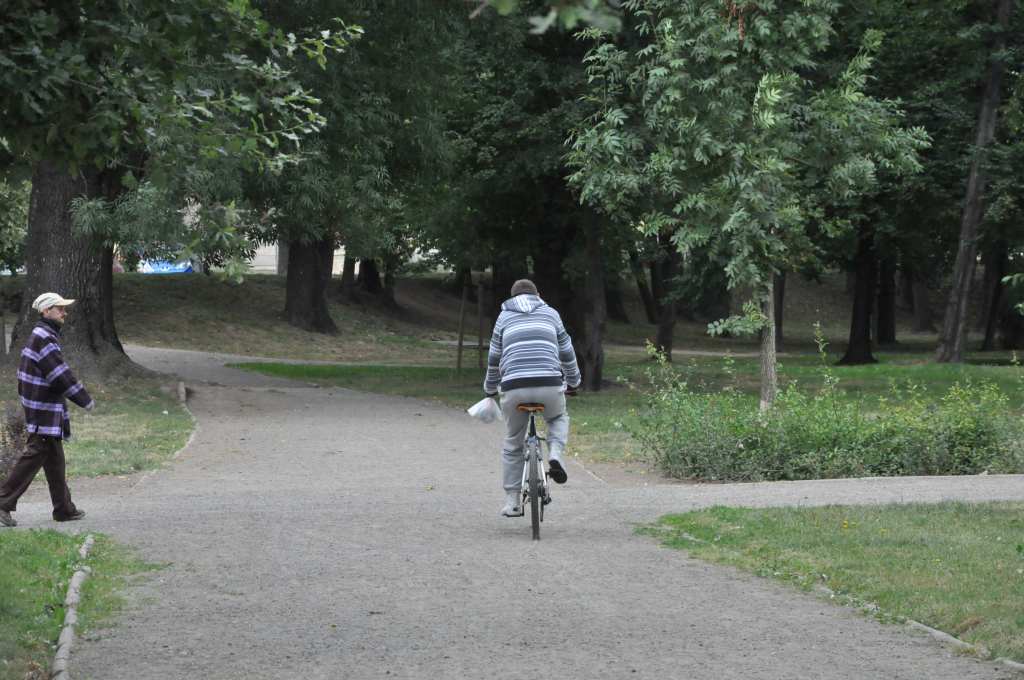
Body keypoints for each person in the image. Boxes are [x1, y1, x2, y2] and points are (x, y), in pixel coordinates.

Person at [483, 279, 581, 517]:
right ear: (538, 294)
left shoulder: (503, 317)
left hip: (514, 387)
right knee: (558, 417)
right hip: (549, 384)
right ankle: (555, 455)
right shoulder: (551, 313)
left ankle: (512, 502)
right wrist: (574, 381)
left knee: (512, 442)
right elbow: (566, 350)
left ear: (511, 297)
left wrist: (489, 388)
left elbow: (494, 358)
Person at [0, 292, 95, 528]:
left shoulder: (43, 335)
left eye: (64, 308)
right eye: (59, 308)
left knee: (54, 461)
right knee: (33, 456)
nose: (64, 312)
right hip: (43, 408)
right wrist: (84, 399)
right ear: (45, 311)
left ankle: (63, 509)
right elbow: (59, 374)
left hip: (42, 407)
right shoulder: (44, 337)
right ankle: (2, 503)